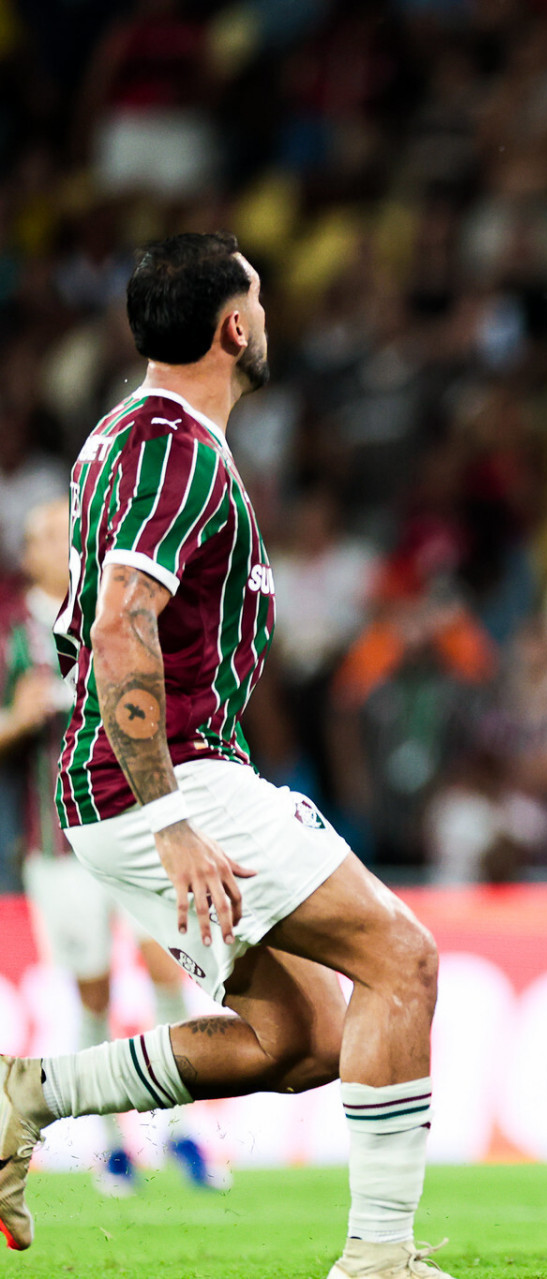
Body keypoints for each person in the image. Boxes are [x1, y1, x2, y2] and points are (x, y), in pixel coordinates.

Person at [0, 233, 449, 1279]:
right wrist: (170, 816)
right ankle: (380, 1256)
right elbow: (120, 626)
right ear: (234, 326)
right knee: (404, 960)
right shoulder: (172, 447)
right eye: (260, 301)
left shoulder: (124, 438)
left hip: (134, 783)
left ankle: (30, 1093)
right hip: (168, 778)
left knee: (301, 1039)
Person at [6, 497, 229, 1197]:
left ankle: (183, 1132)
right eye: (46, 533)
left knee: (170, 968)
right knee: (95, 989)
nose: (60, 542)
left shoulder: (114, 612)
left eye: (65, 530)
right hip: (56, 846)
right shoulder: (14, 635)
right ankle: (108, 1145)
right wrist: (19, 715)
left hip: (133, 832)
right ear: (28, 550)